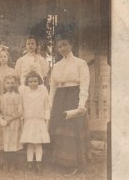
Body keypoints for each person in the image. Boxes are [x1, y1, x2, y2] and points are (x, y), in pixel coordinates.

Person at [49, 33, 90, 176]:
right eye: (59, 46)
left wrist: (81, 104)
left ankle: (75, 164)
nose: (62, 48)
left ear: (71, 45)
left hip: (73, 97)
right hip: (60, 98)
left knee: (73, 132)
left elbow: (84, 85)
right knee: (60, 131)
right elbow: (53, 86)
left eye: (65, 44)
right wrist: (51, 104)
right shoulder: (57, 65)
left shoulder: (80, 63)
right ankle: (61, 162)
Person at [20, 71, 50, 174]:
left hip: (39, 120)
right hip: (29, 121)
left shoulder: (42, 93)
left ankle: (38, 163)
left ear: (39, 81)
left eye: (35, 81)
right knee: (30, 144)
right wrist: (22, 120)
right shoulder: (24, 94)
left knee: (37, 144)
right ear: (27, 83)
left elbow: (46, 107)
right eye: (30, 81)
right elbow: (22, 108)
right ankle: (29, 163)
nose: (33, 83)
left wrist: (46, 121)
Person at [0, 75, 23, 171]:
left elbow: (20, 111)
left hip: (14, 121)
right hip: (5, 121)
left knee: (14, 141)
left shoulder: (17, 96)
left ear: (15, 84)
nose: (10, 85)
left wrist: (11, 118)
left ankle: (13, 163)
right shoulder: (2, 97)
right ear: (4, 85)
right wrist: (2, 118)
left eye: (12, 83)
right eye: (8, 83)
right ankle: (6, 162)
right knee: (6, 141)